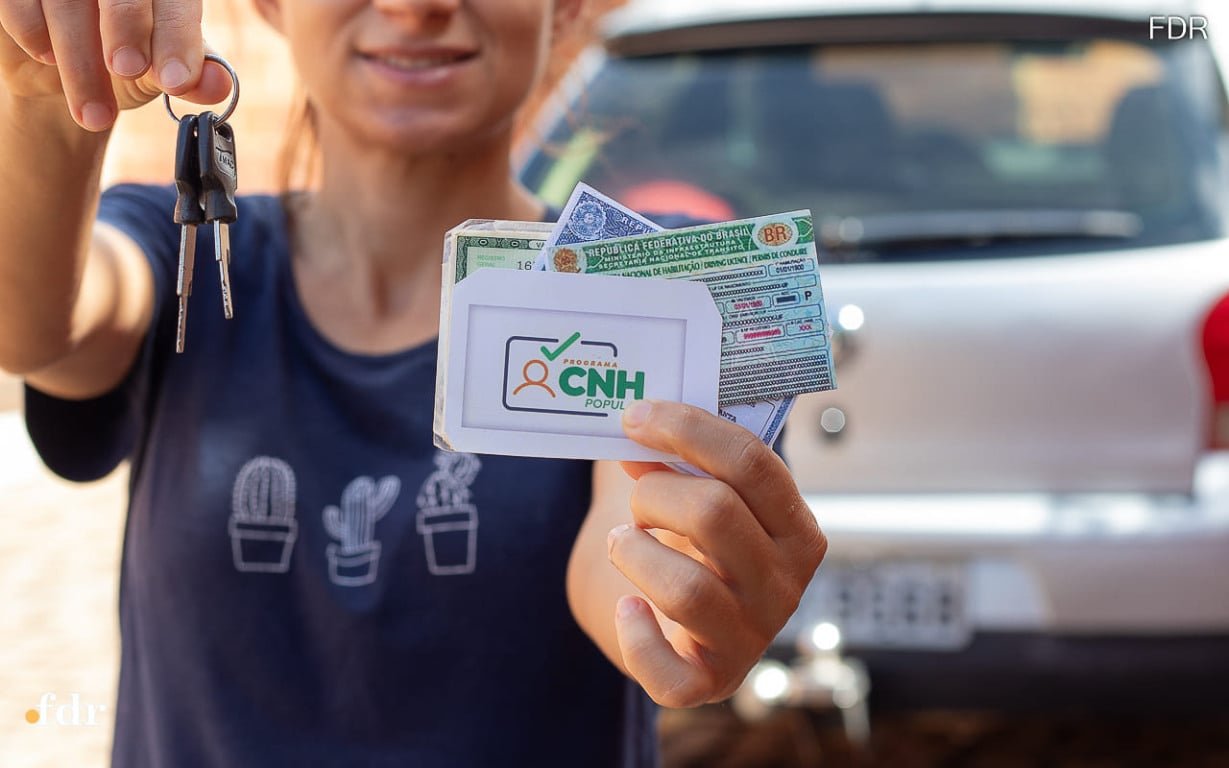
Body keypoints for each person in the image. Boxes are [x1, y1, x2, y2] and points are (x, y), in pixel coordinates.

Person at [0, 0, 827, 765]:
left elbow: (630, 577)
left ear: (567, 6)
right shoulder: (175, 241)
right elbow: (29, 325)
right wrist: (45, 103)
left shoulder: (663, 285)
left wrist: (685, 607)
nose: (415, 5)